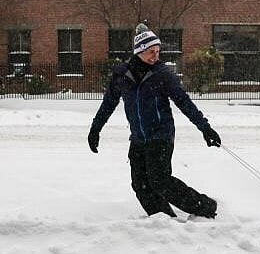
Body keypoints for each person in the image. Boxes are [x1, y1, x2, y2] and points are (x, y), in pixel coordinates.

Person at [88, 30, 222, 219]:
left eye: (158, 51)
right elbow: (108, 103)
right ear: (139, 51)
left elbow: (184, 102)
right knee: (140, 184)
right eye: (152, 51)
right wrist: (95, 129)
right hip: (138, 138)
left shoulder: (162, 74)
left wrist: (205, 128)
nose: (156, 56)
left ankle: (205, 207)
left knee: (160, 181)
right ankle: (164, 220)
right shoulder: (122, 75)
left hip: (161, 135)